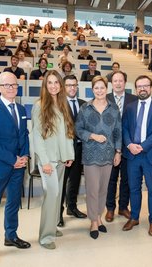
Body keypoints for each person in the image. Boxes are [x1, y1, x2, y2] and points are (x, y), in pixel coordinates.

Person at [0, 72, 30, 265]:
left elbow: (24, 135)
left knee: (13, 203)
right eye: (7, 85)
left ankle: (11, 236)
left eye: (14, 85)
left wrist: (24, 156)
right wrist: (13, 160)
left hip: (19, 166)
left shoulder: (21, 108)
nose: (11, 88)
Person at [31, 70, 75, 249]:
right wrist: (45, 161)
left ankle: (52, 226)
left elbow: (67, 134)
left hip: (61, 159)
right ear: (45, 85)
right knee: (52, 196)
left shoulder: (63, 104)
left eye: (56, 82)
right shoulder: (39, 105)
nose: (53, 86)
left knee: (57, 196)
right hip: (48, 160)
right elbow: (37, 136)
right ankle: (46, 237)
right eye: (50, 82)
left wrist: (69, 155)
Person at [75, 76, 122, 239]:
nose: (100, 91)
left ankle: (99, 217)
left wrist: (118, 151)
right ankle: (93, 221)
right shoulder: (85, 108)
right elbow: (78, 130)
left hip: (108, 155)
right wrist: (93, 136)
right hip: (90, 155)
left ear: (107, 89)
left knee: (103, 189)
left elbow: (118, 132)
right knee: (92, 190)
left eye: (102, 88)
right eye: (97, 88)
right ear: (92, 89)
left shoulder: (114, 108)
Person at [122, 75, 152, 237]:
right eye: (139, 86)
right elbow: (125, 128)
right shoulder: (130, 107)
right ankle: (134, 217)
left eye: (145, 86)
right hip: (132, 155)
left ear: (151, 87)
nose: (142, 89)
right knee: (134, 188)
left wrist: (143, 146)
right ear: (135, 89)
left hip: (151, 155)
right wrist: (129, 145)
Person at [105, 71, 138, 223]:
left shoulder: (134, 99)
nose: (118, 83)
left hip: (128, 146)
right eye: (115, 81)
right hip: (109, 147)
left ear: (125, 82)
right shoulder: (104, 99)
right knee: (111, 180)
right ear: (111, 83)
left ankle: (123, 207)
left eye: (120, 81)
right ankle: (110, 208)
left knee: (126, 179)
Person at [58, 75, 87, 227]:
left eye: (74, 85)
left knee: (75, 180)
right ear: (63, 87)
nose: (72, 88)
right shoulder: (58, 104)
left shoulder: (84, 104)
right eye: (69, 85)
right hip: (63, 150)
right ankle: (58, 213)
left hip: (80, 148)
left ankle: (72, 207)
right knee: (62, 182)